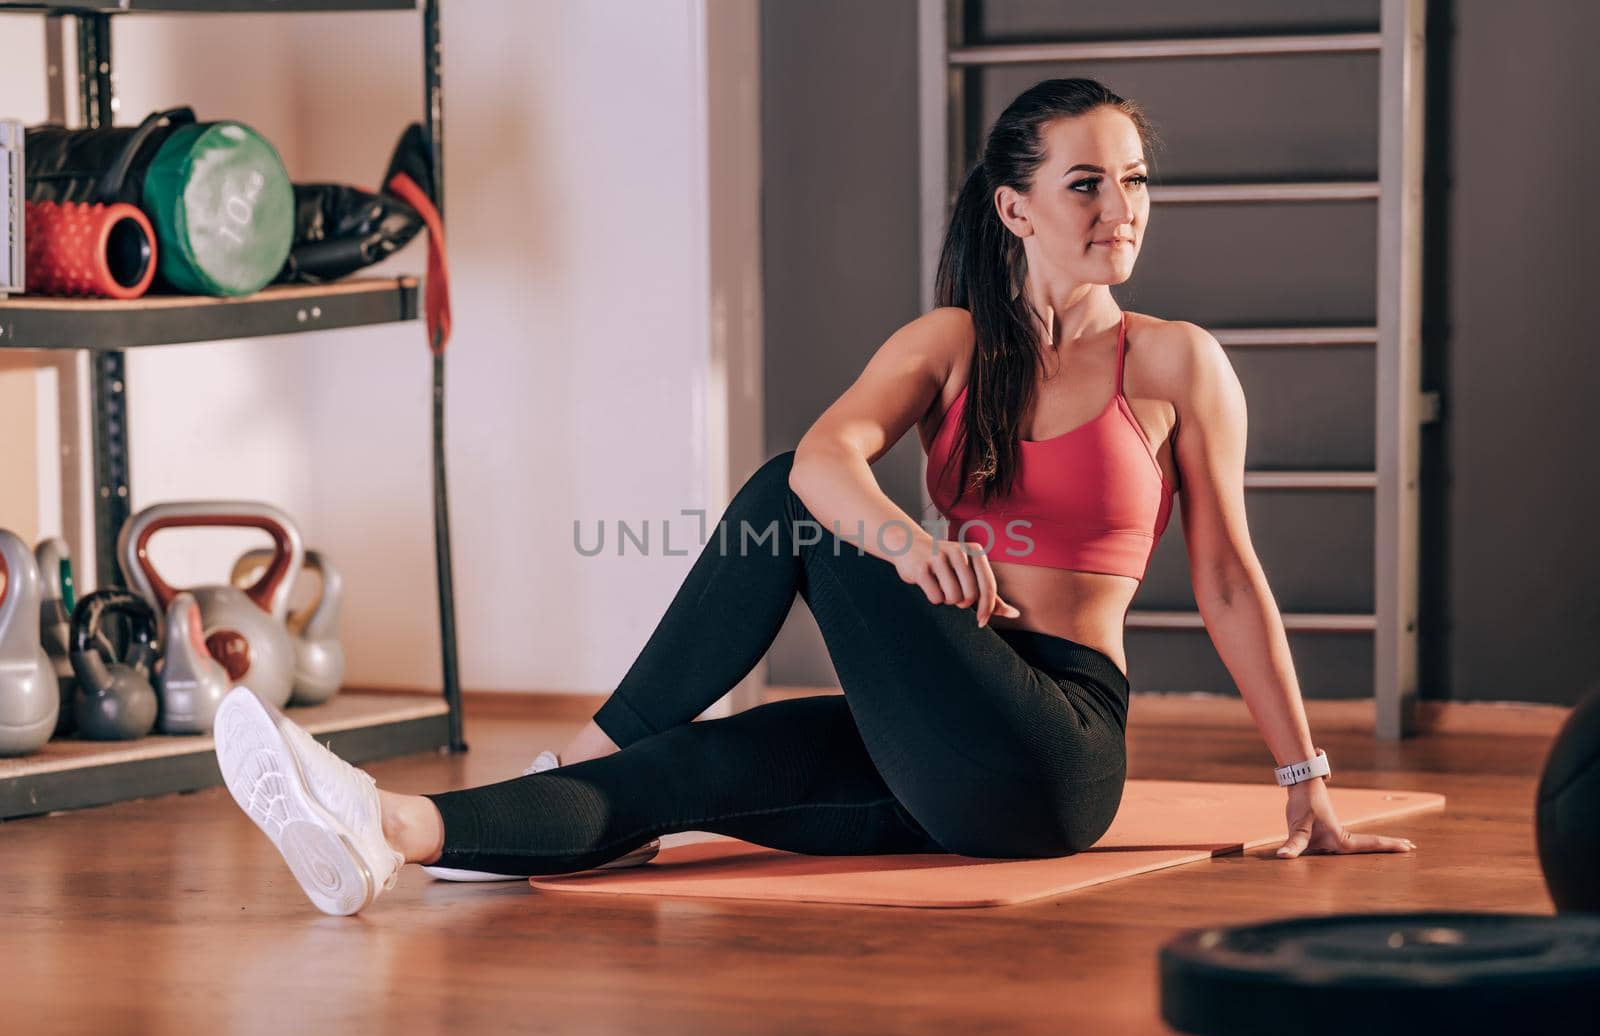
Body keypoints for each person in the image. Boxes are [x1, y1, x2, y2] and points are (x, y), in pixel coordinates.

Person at [214, 77, 1416, 917]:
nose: (1123, 210)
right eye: (1088, 185)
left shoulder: (1171, 361)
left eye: (1136, 182)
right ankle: (388, 830)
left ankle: (565, 750)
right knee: (681, 778)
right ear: (1016, 208)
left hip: (1057, 748)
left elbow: (1224, 579)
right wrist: (908, 543)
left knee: (782, 504)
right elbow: (829, 455)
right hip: (936, 736)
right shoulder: (949, 344)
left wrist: (1305, 786)